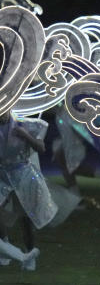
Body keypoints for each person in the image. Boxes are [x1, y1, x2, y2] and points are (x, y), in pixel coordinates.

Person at [0, 109, 56, 271]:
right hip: (2, 173)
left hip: (22, 173)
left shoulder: (26, 124)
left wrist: (25, 135)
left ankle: (29, 253)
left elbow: (41, 147)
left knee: (26, 217)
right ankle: (6, 246)